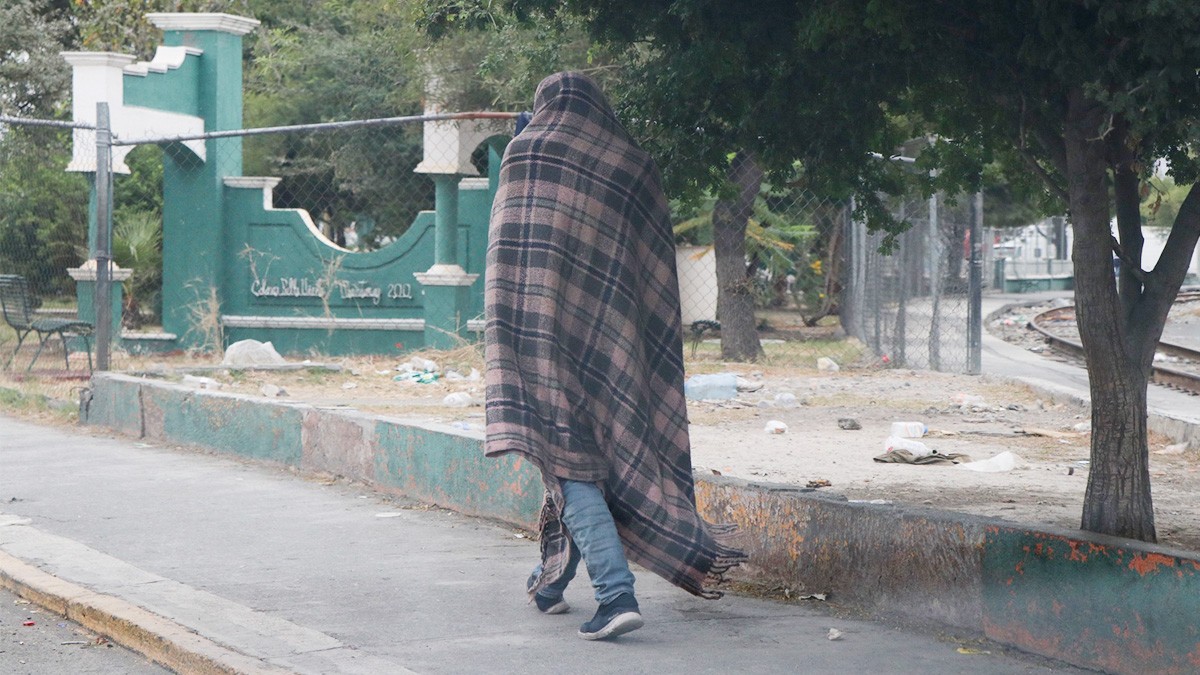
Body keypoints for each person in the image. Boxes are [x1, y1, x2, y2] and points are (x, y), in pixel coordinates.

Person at [484, 71, 746, 641]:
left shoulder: (524, 151)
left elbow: (510, 252)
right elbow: (648, 261)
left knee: (568, 460)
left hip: (536, 330)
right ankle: (550, 583)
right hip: (615, 340)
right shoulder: (632, 163)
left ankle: (614, 593)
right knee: (579, 459)